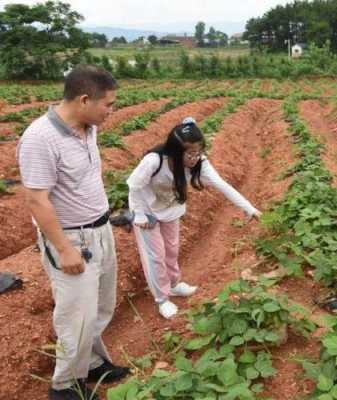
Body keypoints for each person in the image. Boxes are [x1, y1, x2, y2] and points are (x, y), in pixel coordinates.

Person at [17, 65, 130, 400]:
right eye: (108, 104)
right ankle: (65, 386)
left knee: (100, 306)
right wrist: (64, 249)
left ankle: (93, 362)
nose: (112, 111)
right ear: (84, 99)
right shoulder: (40, 138)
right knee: (76, 317)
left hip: (100, 229)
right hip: (73, 239)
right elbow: (37, 200)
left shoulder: (87, 126)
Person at [127, 117, 261, 319]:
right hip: (147, 211)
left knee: (172, 250)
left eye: (198, 152)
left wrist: (250, 209)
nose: (194, 158)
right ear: (175, 150)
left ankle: (174, 284)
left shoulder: (200, 163)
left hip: (171, 210)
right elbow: (134, 185)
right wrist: (137, 213)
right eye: (190, 153)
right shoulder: (154, 161)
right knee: (155, 256)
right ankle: (162, 299)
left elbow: (223, 185)